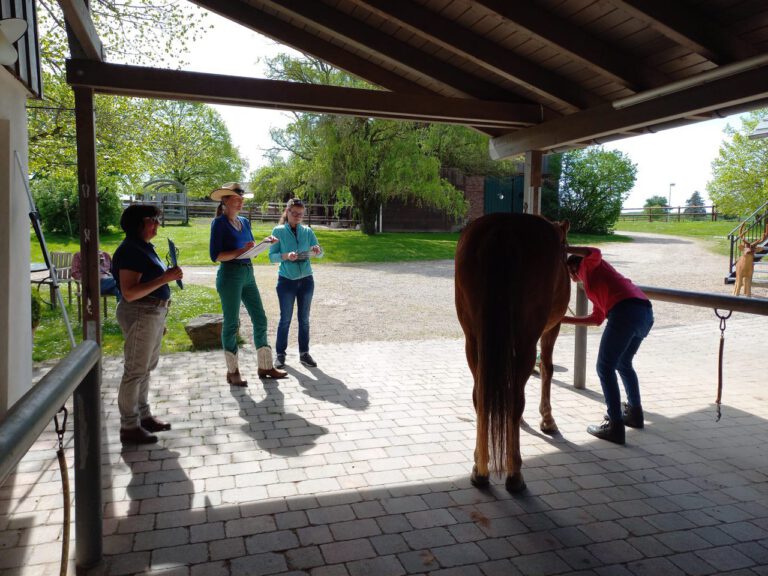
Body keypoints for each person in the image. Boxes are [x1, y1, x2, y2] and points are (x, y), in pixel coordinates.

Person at [561, 246, 654, 445]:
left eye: (569, 272)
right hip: (643, 314)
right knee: (623, 364)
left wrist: (564, 248)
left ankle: (615, 425)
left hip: (624, 311)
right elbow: (596, 318)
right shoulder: (593, 283)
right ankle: (635, 414)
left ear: (574, 267)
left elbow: (594, 251)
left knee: (604, 367)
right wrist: (563, 319)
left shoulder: (588, 265)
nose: (570, 277)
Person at [112, 204, 184, 445]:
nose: (157, 224)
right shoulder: (130, 250)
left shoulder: (143, 248)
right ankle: (129, 426)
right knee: (135, 371)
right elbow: (130, 293)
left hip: (153, 313)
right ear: (137, 224)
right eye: (151, 220)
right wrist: (165, 278)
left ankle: (143, 417)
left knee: (145, 369)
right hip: (141, 312)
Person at [209, 182, 286, 385]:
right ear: (225, 201)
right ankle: (232, 371)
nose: (241, 202)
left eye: (242, 199)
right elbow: (216, 256)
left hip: (247, 273)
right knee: (232, 323)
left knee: (260, 318)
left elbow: (249, 246)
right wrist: (240, 251)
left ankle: (265, 365)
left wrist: (263, 244)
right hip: (230, 275)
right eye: (236, 199)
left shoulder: (244, 221)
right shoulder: (219, 223)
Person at [269, 198, 322, 369]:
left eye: (301, 214)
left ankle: (304, 354)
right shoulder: (278, 231)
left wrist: (317, 251)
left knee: (304, 319)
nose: (298, 217)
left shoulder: (307, 231)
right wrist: (286, 256)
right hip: (286, 281)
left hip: (307, 280)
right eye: (295, 213)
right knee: (285, 319)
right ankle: (280, 355)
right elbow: (272, 257)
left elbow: (319, 253)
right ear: (287, 212)